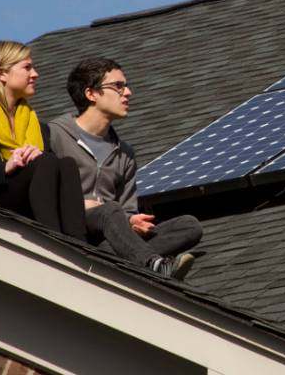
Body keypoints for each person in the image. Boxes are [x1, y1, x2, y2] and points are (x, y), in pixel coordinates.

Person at [48, 58, 202, 280]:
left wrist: (133, 221)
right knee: (109, 209)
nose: (128, 92)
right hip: (72, 229)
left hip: (110, 240)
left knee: (190, 225)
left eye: (126, 86)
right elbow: (42, 192)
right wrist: (80, 203)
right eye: (118, 86)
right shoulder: (55, 135)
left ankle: (117, 259)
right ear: (91, 94)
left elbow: (126, 210)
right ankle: (153, 264)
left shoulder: (124, 153)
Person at [0, 41, 86, 242]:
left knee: (66, 164)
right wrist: (6, 167)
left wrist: (36, 158)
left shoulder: (39, 126)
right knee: (46, 162)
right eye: (27, 67)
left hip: (29, 203)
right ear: (1, 74)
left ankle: (78, 246)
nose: (35, 74)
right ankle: (54, 244)